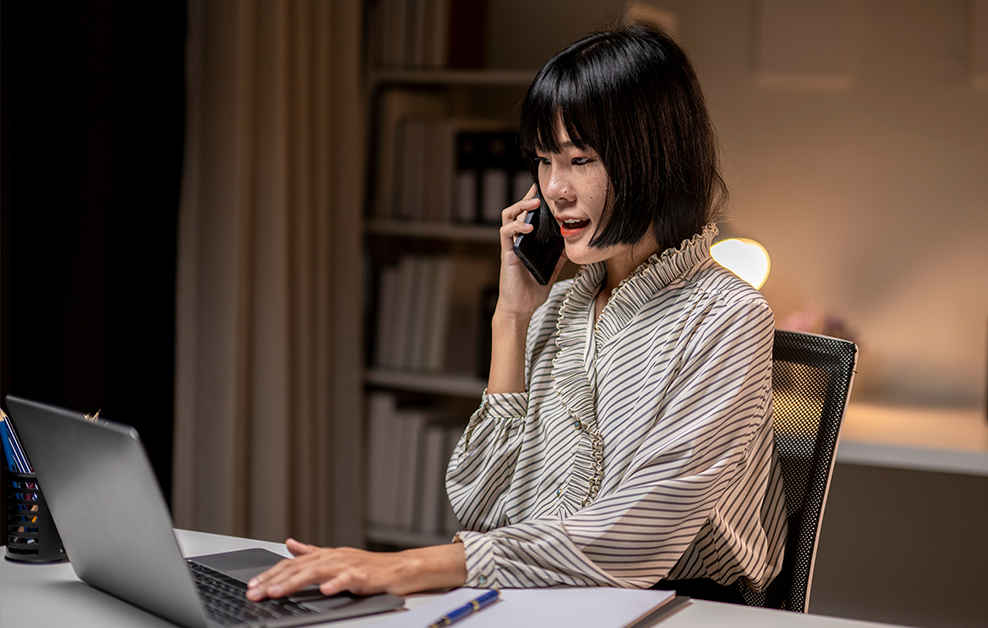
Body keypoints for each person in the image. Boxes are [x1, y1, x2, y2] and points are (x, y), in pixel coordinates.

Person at [246, 21, 785, 606]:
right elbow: (480, 504)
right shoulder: (560, 307)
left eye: (581, 160)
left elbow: (639, 537)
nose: (555, 189)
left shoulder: (728, 316)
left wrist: (408, 567)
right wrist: (512, 319)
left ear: (654, 161)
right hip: (552, 595)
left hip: (680, 606)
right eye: (544, 160)